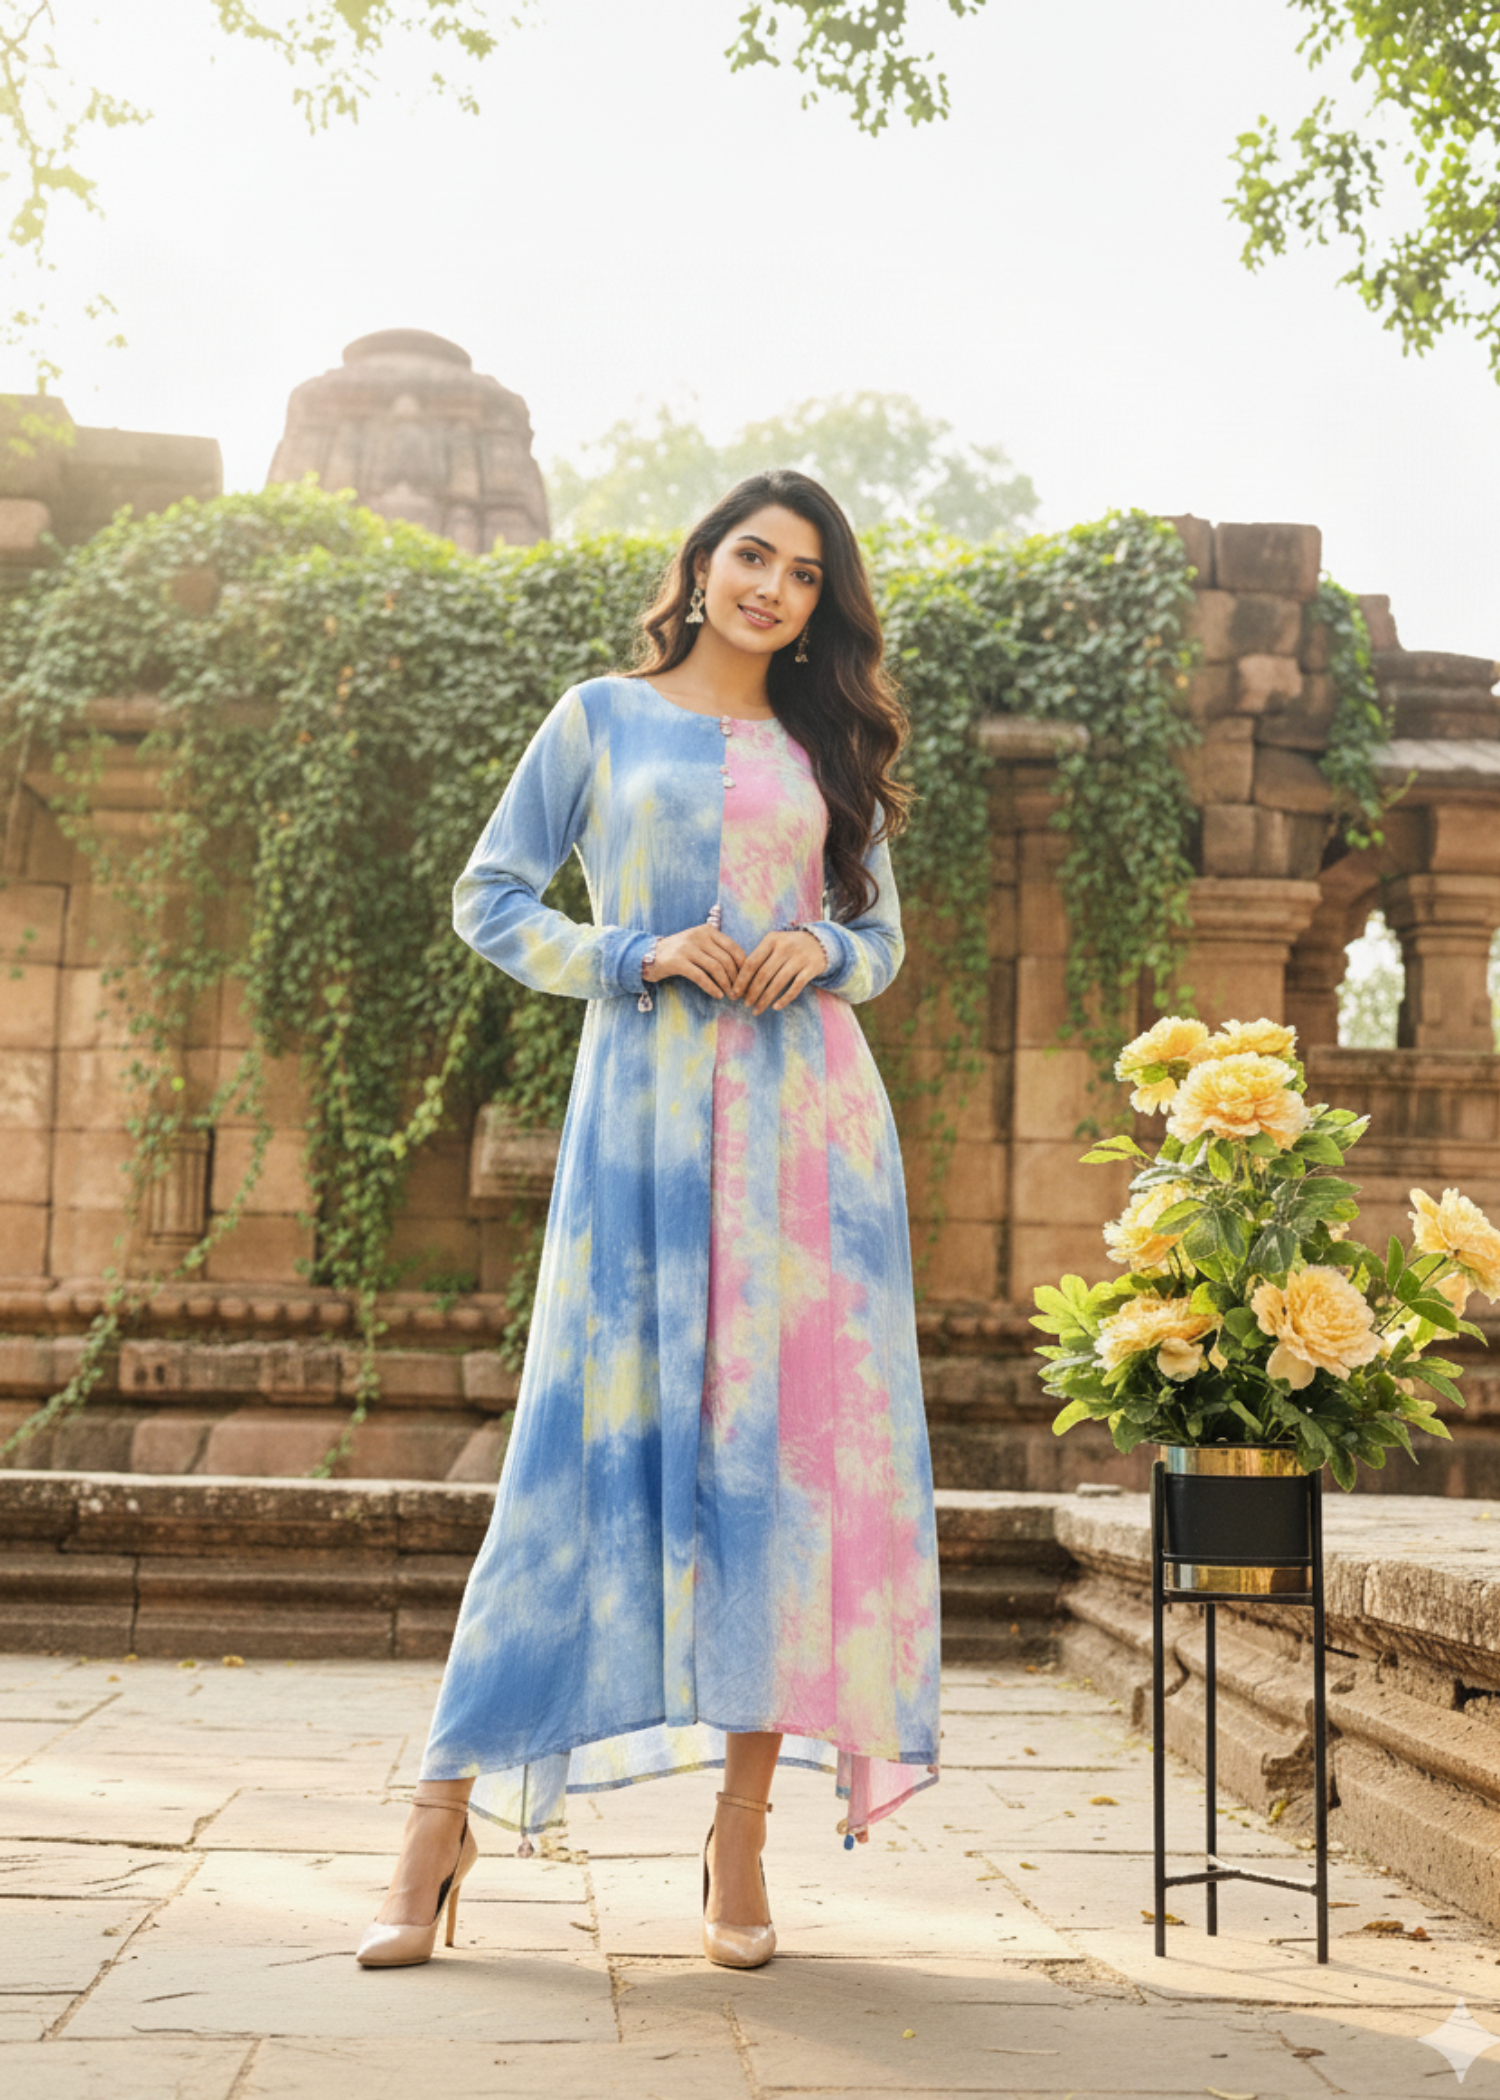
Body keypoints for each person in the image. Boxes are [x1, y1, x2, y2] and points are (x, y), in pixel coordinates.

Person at [356, 468, 940, 1974]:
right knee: (573, 1450)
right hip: (644, 1123)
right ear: (699, 563)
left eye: (806, 575)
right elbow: (492, 898)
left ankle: (743, 1832)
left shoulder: (828, 742)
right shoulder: (597, 719)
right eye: (754, 555)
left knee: (781, 1469)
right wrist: (629, 951)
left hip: (809, 1144)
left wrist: (817, 947)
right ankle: (438, 1813)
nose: (774, 588)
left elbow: (879, 937)